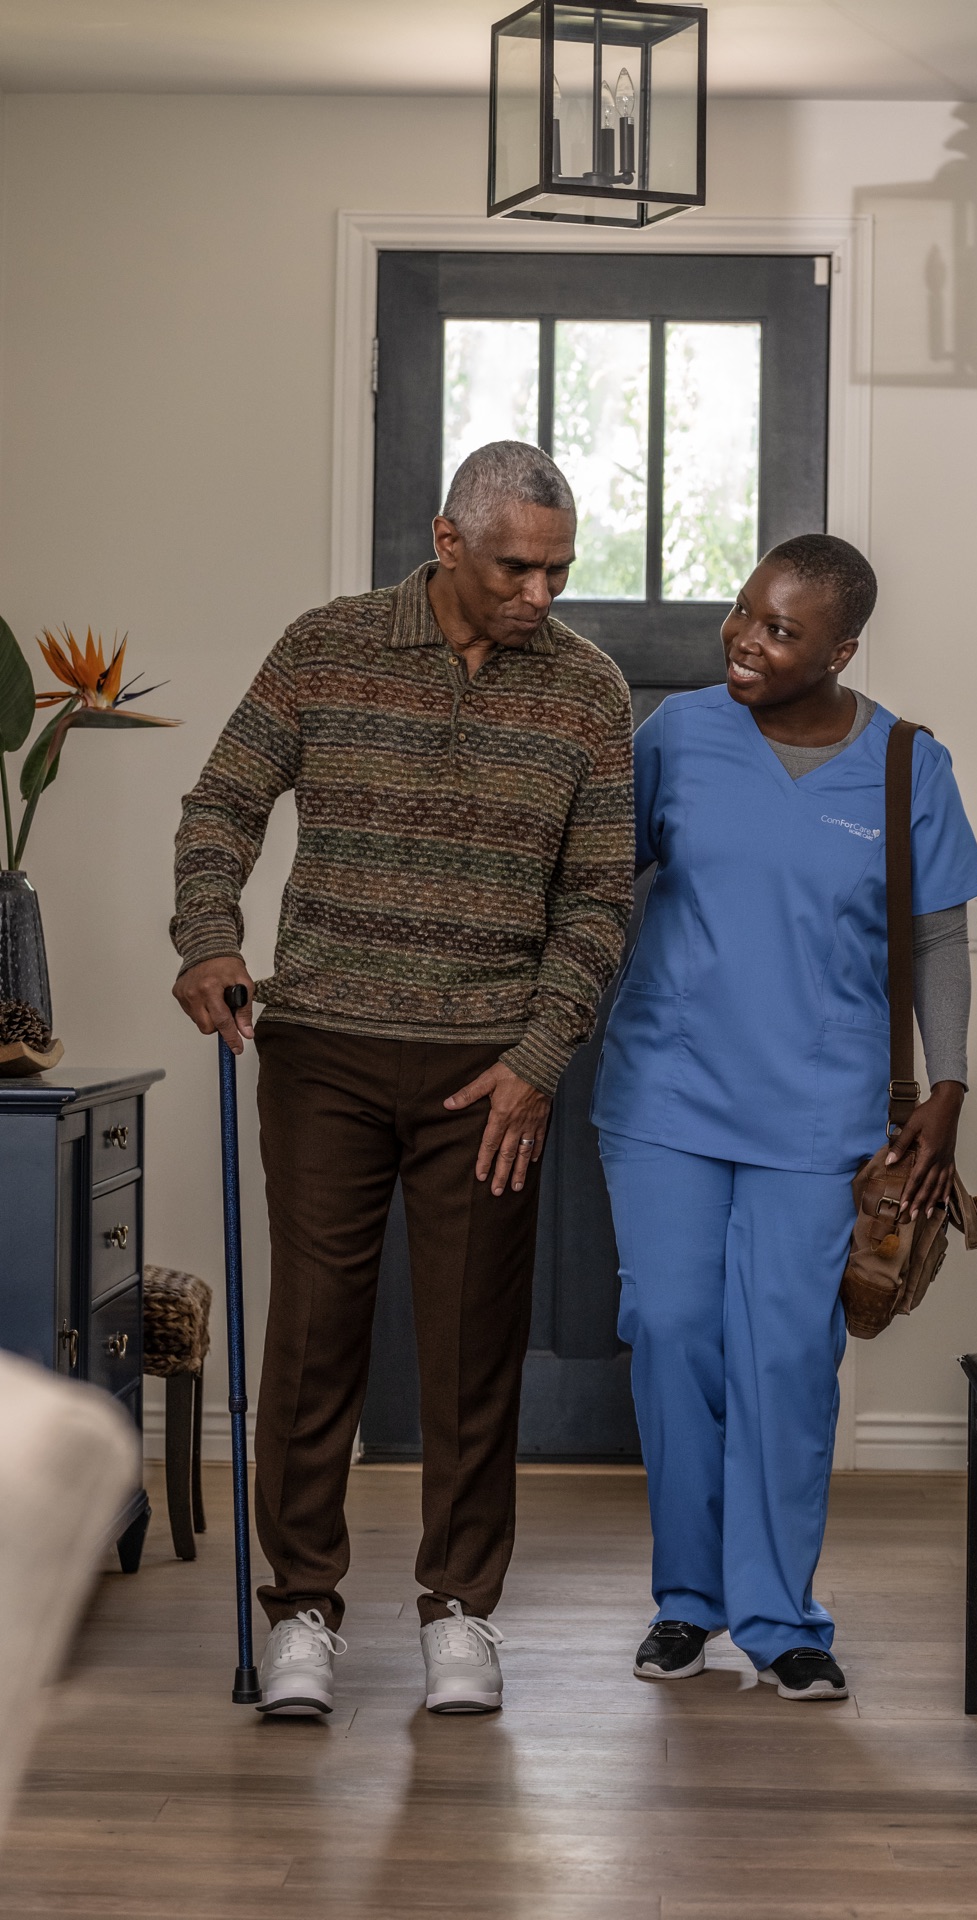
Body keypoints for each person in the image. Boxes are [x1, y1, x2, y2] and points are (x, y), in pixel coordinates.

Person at [171, 442, 633, 1717]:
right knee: (315, 1337)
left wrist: (538, 1063)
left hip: (488, 1078)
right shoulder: (325, 646)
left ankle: (458, 1615)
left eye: (557, 570)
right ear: (445, 541)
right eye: (514, 567)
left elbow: (597, 904)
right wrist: (209, 934)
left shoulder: (589, 693)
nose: (539, 594)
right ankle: (304, 1611)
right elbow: (221, 804)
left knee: (472, 1350)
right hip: (318, 1051)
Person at [591, 534, 977, 1702]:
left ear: (840, 648)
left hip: (821, 1109)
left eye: (779, 630)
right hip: (665, 1091)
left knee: (784, 1358)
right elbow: (593, 880)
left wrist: (948, 1090)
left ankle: (777, 1618)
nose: (744, 642)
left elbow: (940, 939)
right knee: (670, 1332)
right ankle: (687, 1602)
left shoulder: (907, 763)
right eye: (742, 614)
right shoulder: (674, 738)